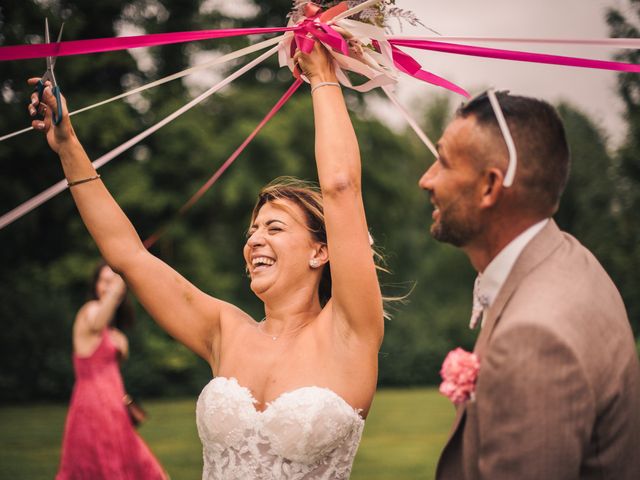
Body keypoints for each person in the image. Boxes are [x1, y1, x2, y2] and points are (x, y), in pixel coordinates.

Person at [30, 41, 384, 479]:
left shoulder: (350, 331)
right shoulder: (224, 330)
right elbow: (129, 255)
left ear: (320, 251)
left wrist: (321, 73)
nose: (254, 240)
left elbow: (341, 187)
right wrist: (67, 145)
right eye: (252, 230)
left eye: (274, 229)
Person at [418, 90, 640, 479]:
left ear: (490, 186)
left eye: (443, 162)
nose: (426, 180)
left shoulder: (533, 339)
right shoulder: (570, 257)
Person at [56, 262, 167, 479]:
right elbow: (97, 323)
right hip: (92, 407)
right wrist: (117, 287)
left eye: (113, 281)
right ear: (96, 285)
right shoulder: (89, 312)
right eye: (104, 281)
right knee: (98, 465)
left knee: (140, 466)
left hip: (116, 407)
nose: (109, 286)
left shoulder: (117, 334)